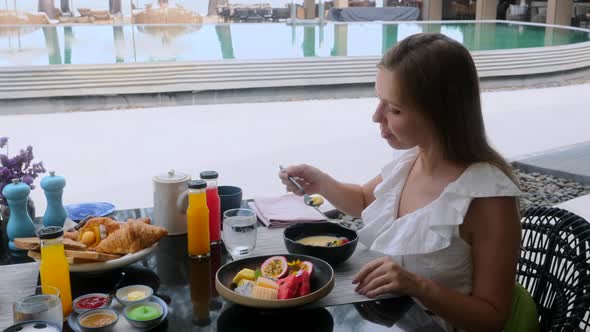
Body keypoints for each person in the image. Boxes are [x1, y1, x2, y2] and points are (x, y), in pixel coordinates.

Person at [279, 33, 521, 332]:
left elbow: (493, 318)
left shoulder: (487, 198)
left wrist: (417, 285)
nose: (376, 116)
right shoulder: (411, 162)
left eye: (393, 109)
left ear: (440, 114)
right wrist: (322, 182)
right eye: (379, 101)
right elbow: (365, 200)